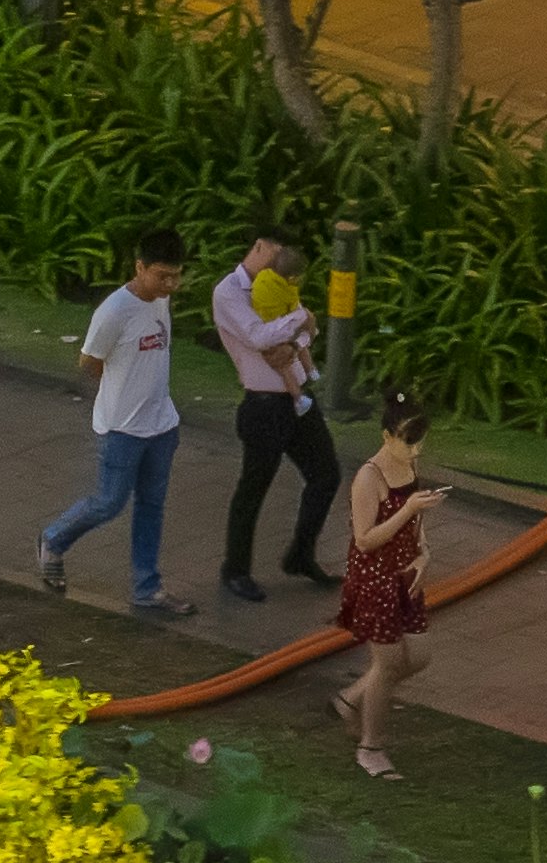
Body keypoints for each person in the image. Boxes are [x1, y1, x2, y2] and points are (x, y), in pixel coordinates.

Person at [32, 228, 197, 617]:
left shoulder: (160, 301)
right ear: (139, 267)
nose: (170, 284)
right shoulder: (113, 312)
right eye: (162, 276)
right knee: (109, 502)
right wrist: (124, 390)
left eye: (176, 276)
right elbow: (89, 362)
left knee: (151, 507)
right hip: (122, 429)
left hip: (162, 426)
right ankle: (53, 540)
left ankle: (147, 589)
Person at [210, 226, 340, 604]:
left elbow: (306, 330)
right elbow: (258, 336)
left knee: (326, 474)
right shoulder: (229, 293)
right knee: (253, 488)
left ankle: (300, 555)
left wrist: (297, 338)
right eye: (277, 252)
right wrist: (298, 321)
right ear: (259, 246)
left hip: (298, 397)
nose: (282, 263)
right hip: (263, 404)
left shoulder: (282, 285)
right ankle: (235, 569)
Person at [329, 397, 438, 778]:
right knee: (388, 665)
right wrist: (407, 510)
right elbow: (364, 539)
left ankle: (351, 698)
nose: (415, 450)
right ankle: (370, 747)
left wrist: (423, 552)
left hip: (405, 575)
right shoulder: (369, 477)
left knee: (419, 655)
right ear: (386, 436)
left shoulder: (409, 464)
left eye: (420, 441)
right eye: (408, 442)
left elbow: (417, 519)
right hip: (375, 579)